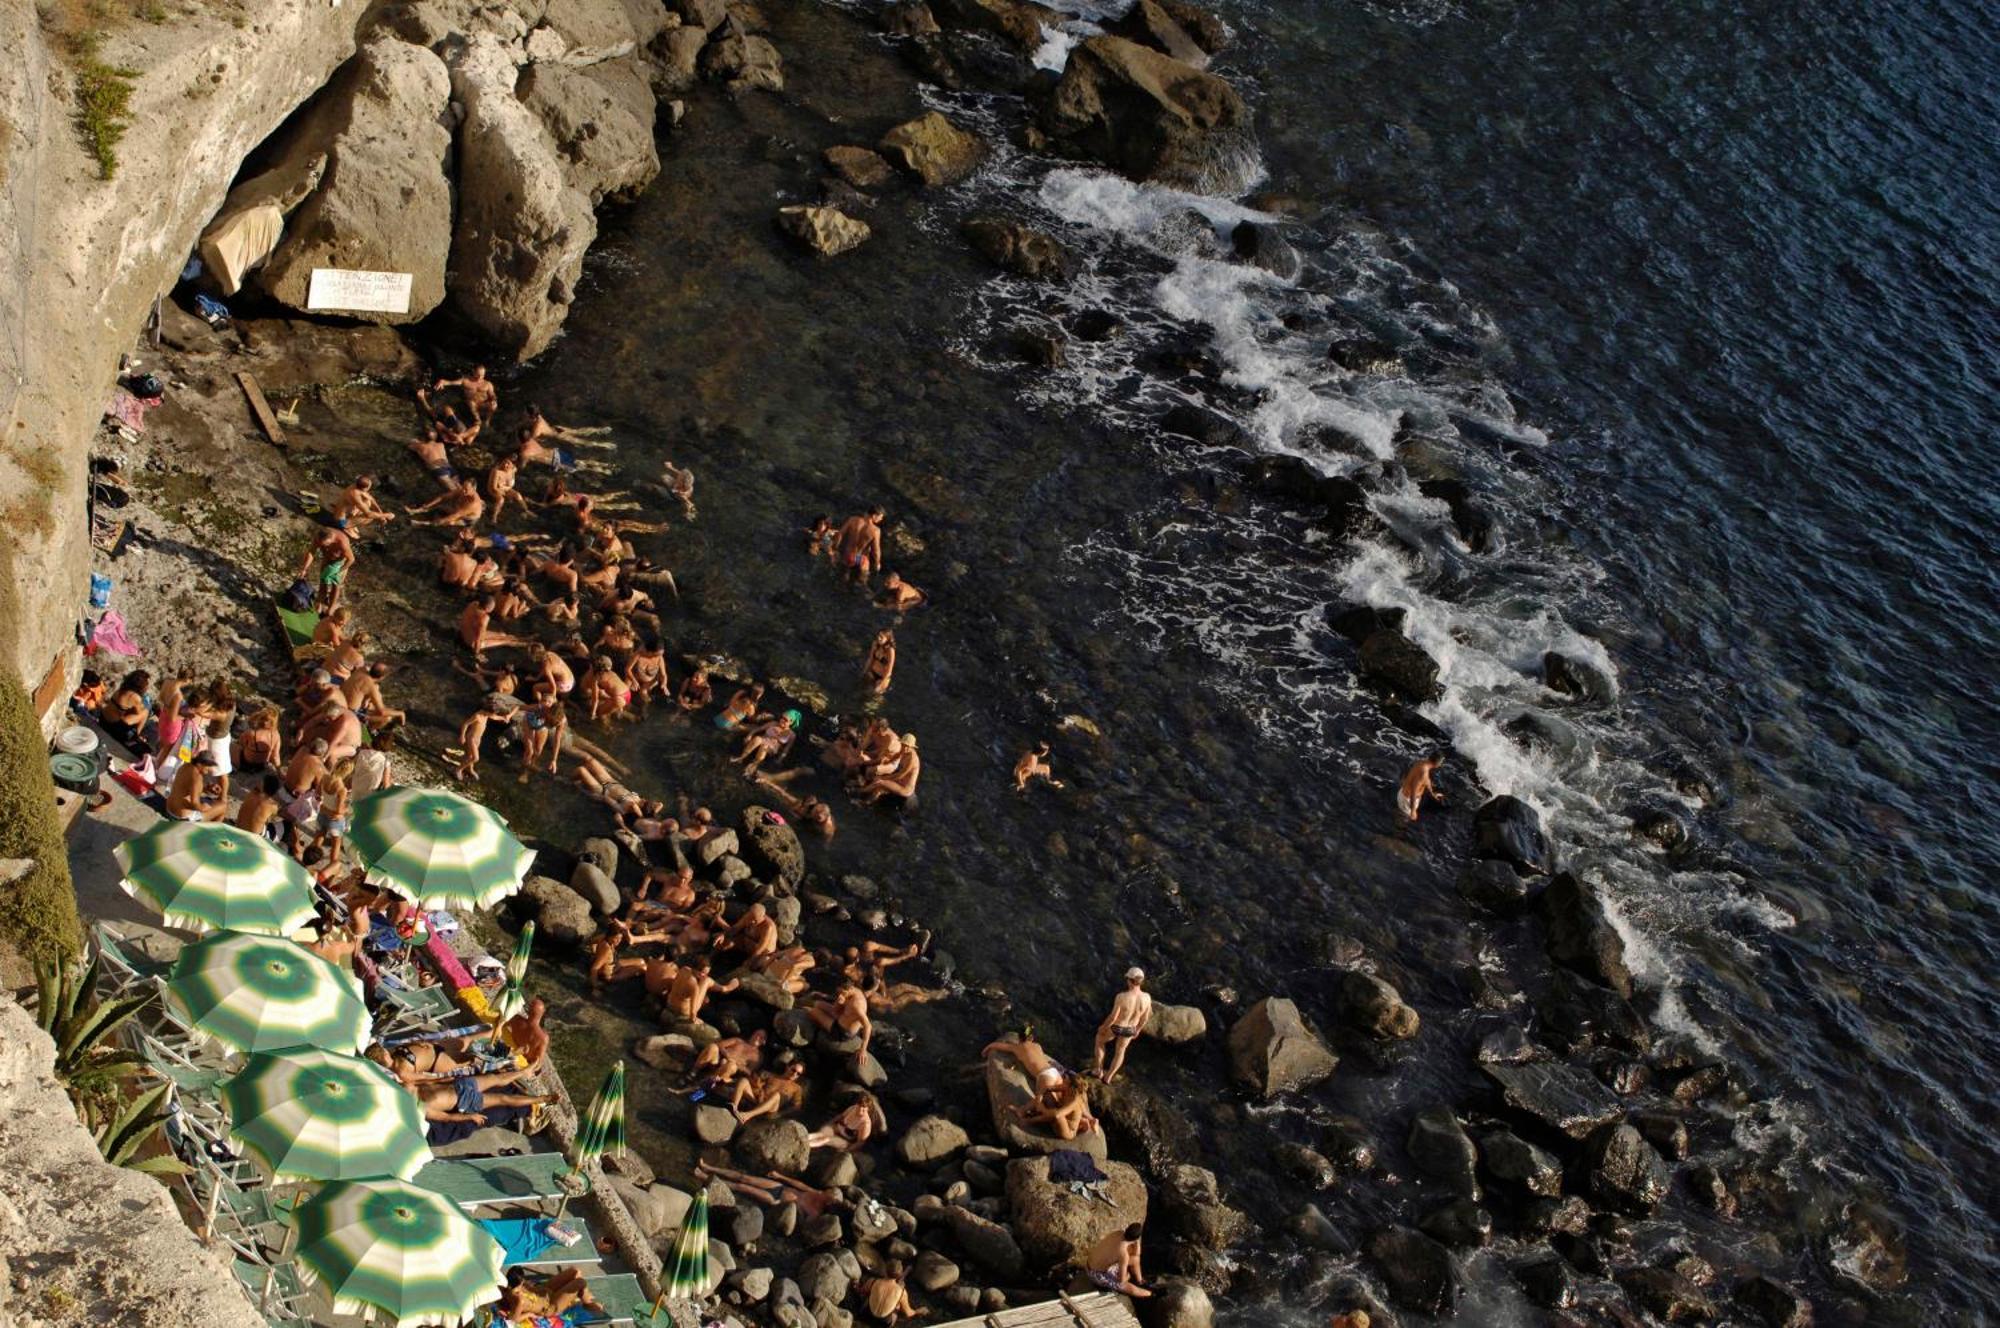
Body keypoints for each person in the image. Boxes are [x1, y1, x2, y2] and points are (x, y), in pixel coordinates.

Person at [692, 1161, 848, 1219]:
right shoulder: (818, 1193)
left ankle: (704, 1177)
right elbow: (799, 1185)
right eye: (830, 1193)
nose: (827, 1193)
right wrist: (779, 1176)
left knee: (743, 1187)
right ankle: (709, 1167)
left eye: (830, 1196)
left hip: (776, 1201)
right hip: (780, 1187)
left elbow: (793, 1217)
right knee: (744, 1178)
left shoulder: (815, 1213)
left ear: (828, 1203)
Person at [1091, 966, 1153, 1083]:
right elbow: (1145, 1017)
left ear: (1129, 980)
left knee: (1099, 1040)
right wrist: (1138, 1030)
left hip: (1117, 1027)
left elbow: (1113, 1017)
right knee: (1120, 1051)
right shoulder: (1147, 998)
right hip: (1130, 1029)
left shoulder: (1122, 997)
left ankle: (1098, 1070)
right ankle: (1109, 1076)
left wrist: (1103, 1027)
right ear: (1141, 981)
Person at [1011, 1069, 1096, 1140]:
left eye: (1064, 1080)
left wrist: (1042, 1109)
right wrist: (1039, 1097)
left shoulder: (1075, 1100)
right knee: (1047, 1096)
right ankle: (1022, 1110)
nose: (1062, 1081)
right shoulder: (1066, 1087)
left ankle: (1029, 1121)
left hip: (1067, 1131)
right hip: (1061, 1115)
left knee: (1055, 1114)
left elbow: (1057, 1115)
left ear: (1069, 1084)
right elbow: (1047, 1088)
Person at [805, 981, 872, 1059]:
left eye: (843, 993)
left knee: (811, 1011)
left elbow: (868, 1026)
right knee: (817, 1003)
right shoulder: (855, 990)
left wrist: (863, 1049)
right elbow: (835, 1009)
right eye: (839, 993)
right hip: (840, 1017)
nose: (840, 995)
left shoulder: (857, 1005)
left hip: (841, 1031)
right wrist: (840, 1002)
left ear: (850, 989)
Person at [982, 1032, 1065, 1094]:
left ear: (1019, 1039)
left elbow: (1000, 1046)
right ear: (1031, 1038)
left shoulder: (1017, 1048)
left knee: (1044, 1105)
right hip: (1053, 1071)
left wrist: (988, 1047)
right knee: (1061, 1100)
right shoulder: (1037, 1046)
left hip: (1044, 1075)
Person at [302, 521, 358, 614]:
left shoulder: (342, 542)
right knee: (323, 581)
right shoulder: (319, 537)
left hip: (340, 563)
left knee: (336, 586)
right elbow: (311, 552)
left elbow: (351, 559)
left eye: (326, 545)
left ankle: (330, 609)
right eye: (322, 545)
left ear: (332, 540)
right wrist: (304, 568)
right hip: (327, 559)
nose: (324, 547)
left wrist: (340, 571)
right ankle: (318, 603)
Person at [665, 954, 738, 1025]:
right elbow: (693, 1014)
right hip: (683, 1011)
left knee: (706, 980)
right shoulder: (694, 986)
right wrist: (695, 1020)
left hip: (670, 1003)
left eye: (706, 973)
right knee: (707, 981)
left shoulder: (684, 969)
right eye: (703, 973)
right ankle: (726, 988)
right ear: (695, 969)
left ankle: (724, 988)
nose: (704, 975)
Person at [1085, 1224, 1152, 1298]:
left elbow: (1136, 1255)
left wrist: (1136, 1242)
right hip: (1095, 1273)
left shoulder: (1118, 1233)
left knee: (1135, 1259)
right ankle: (1150, 1294)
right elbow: (1121, 1280)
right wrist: (1128, 1276)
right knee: (1130, 1289)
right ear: (1137, 1238)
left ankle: (1140, 1281)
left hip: (1091, 1262)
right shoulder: (1123, 1254)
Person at [805, 1092, 886, 1153]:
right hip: (837, 1128)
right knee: (821, 1134)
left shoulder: (866, 1124)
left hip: (846, 1140)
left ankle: (806, 1146)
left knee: (826, 1139)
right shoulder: (853, 1108)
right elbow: (840, 1116)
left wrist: (846, 1151)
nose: (860, 1111)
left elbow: (860, 1143)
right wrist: (829, 1123)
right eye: (859, 1107)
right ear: (857, 1105)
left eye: (864, 1109)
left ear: (868, 1109)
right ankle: (803, 1139)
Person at [728, 1061, 807, 1122]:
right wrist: (760, 1090)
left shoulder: (797, 1088)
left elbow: (796, 1107)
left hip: (771, 1110)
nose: (794, 1074)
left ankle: (747, 1115)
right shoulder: (773, 1076)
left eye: (798, 1074)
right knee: (743, 1081)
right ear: (787, 1067)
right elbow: (758, 1085)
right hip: (758, 1101)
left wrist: (780, 1114)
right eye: (793, 1070)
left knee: (777, 1095)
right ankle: (733, 1107)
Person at [857, 733, 921, 805]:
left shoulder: (912, 760)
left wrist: (884, 778)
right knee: (879, 789)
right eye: (903, 745)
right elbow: (896, 757)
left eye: (907, 746)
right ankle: (865, 802)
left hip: (905, 788)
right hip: (898, 782)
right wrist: (884, 762)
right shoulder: (904, 750)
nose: (904, 748)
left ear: (912, 747)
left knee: (880, 782)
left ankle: (858, 791)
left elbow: (900, 775)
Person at [98, 669, 153, 750]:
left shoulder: (121, 689)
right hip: (112, 727)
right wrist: (146, 704)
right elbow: (139, 712)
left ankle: (135, 735)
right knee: (145, 712)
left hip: (103, 719)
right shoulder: (134, 697)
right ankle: (136, 735)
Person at [165, 753, 228, 821]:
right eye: (207, 768)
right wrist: (204, 807)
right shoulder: (197, 777)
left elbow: (187, 788)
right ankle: (211, 829)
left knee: (212, 803)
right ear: (199, 764)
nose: (208, 771)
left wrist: (206, 788)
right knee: (223, 806)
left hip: (169, 809)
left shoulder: (185, 766)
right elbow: (195, 804)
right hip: (181, 817)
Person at [407, 476, 486, 528]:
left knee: (448, 522)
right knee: (439, 506)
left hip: (466, 518)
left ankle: (422, 524)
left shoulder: (473, 503)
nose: (463, 490)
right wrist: (429, 504)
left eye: (466, 489)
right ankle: (415, 511)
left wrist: (442, 520)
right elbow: (443, 497)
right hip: (458, 508)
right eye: (463, 487)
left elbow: (456, 515)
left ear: (473, 489)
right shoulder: (462, 490)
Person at [498, 997, 552, 1070]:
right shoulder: (543, 1038)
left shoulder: (516, 1019)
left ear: (528, 1010)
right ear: (543, 1013)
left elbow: (500, 1024)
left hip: (509, 1051)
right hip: (522, 1063)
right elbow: (538, 1063)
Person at [434, 364, 499, 426]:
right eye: (478, 375)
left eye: (482, 375)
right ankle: (478, 420)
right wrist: (443, 381)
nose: (480, 377)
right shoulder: (466, 380)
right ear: (473, 371)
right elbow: (451, 382)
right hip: (470, 404)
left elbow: (492, 395)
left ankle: (487, 420)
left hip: (482, 404)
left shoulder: (488, 384)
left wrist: (493, 399)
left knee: (494, 405)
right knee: (471, 403)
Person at [836, 507, 885, 584]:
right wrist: (877, 563)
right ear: (874, 515)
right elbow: (876, 551)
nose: (881, 519)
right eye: (881, 517)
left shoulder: (852, 519)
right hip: (857, 558)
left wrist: (834, 549)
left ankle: (844, 580)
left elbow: (840, 534)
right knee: (865, 563)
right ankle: (861, 583)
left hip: (845, 555)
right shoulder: (875, 530)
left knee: (842, 578)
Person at [236, 772, 286, 840]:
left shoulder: (251, 794)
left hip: (237, 828)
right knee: (287, 825)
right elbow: (283, 814)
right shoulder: (272, 806)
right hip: (253, 837)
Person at [1397, 753, 1445, 823]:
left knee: (1400, 814)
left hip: (1403, 794)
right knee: (1402, 823)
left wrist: (1433, 795)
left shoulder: (1421, 763)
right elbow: (1414, 791)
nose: (1441, 765)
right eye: (1441, 763)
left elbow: (1425, 782)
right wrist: (1413, 811)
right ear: (1437, 764)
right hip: (1407, 801)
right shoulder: (1423, 773)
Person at [862, 629, 896, 696]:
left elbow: (889, 671)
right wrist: (864, 671)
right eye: (878, 636)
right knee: (863, 689)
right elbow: (870, 659)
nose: (879, 638)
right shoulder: (875, 644)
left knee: (875, 694)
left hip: (882, 677)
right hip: (873, 672)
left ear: (887, 639)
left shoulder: (890, 651)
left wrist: (881, 684)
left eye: (881, 637)